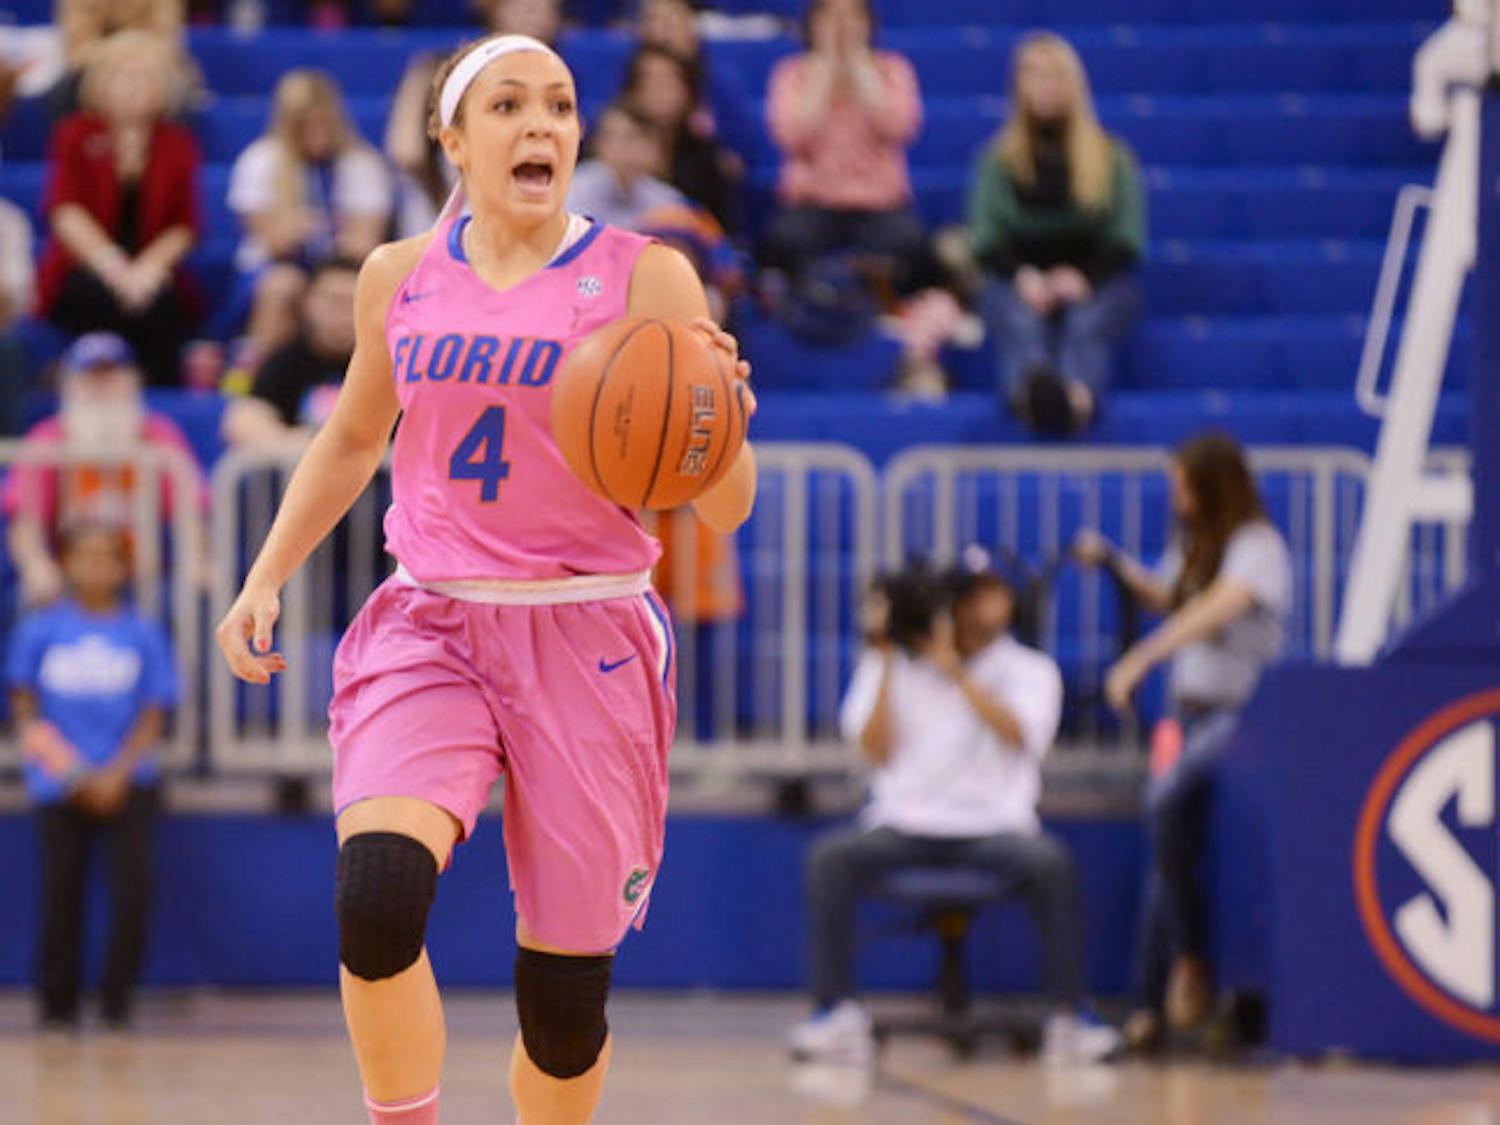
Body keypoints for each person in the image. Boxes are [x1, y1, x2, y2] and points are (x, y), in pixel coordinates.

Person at [214, 34, 756, 1125]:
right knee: (376, 896)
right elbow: (353, 438)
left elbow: (724, 505)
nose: (542, 126)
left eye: (558, 105)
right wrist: (266, 573)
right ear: (452, 138)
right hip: (433, 621)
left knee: (563, 1012)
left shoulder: (647, 274)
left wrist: (721, 424)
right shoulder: (396, 274)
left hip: (586, 631)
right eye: (508, 105)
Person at [790, 557, 1122, 1066]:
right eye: (965, 595)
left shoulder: (1031, 670)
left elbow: (1021, 734)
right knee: (830, 859)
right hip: (904, 824)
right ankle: (833, 1012)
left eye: (987, 593)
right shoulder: (892, 663)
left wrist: (956, 672)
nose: (974, 606)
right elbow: (871, 750)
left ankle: (1070, 1016)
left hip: (995, 828)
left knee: (1051, 863)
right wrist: (885, 658)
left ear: (1010, 602)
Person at [1073, 432, 1291, 1050]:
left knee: (1167, 805)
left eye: (1185, 487)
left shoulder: (1258, 547)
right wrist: (1114, 563)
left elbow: (1210, 610)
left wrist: (1142, 658)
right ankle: (1148, 1007)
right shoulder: (1198, 546)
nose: (1179, 499)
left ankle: (1194, 959)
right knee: (1163, 857)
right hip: (1187, 717)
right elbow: (1170, 597)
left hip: (1241, 719)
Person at [8, 524, 178, 1030]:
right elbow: (25, 711)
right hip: (58, 786)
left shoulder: (142, 632)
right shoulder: (39, 630)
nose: (95, 567)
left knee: (132, 894)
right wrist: (73, 773)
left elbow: (154, 710)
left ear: (123, 568)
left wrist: (116, 774)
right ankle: (57, 1010)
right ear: (66, 564)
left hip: (128, 783)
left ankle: (116, 1006)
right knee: (61, 894)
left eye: (107, 557)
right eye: (85, 556)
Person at [969, 32, 1145, 436]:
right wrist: (1024, 277)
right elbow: (985, 238)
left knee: (1088, 322)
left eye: (1053, 76)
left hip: (1095, 277)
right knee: (1018, 318)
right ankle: (1031, 396)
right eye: (1033, 75)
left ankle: (1076, 399)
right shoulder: (996, 160)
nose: (1044, 86)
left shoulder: (1110, 156)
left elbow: (1127, 238)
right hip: (1017, 276)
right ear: (1018, 87)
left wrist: (1081, 278)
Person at [37, 30, 202, 387]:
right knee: (94, 297)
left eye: (142, 77)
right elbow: (66, 211)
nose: (132, 87)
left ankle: (159, 397)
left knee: (160, 303)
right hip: (87, 264)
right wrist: (114, 268)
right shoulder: (75, 134)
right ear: (100, 85)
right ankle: (84, 384)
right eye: (122, 76)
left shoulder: (177, 144)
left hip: (148, 266)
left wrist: (146, 269)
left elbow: (183, 226)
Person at [4, 333, 207, 607]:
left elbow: (189, 508)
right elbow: (25, 518)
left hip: (141, 579)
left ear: (133, 380)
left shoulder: (159, 434)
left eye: (111, 376)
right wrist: (36, 565)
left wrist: (195, 559)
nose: (101, 386)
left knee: (187, 598)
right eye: (91, 377)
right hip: (68, 580)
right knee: (27, 598)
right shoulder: (46, 438)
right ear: (70, 384)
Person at [226, 69, 392, 363]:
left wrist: (334, 240)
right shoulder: (261, 160)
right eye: (305, 126)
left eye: (323, 124)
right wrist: (299, 229)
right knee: (284, 285)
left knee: (344, 290)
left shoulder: (361, 162)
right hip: (274, 268)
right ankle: (258, 377)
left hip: (338, 266)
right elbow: (272, 241)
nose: (316, 134)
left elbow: (366, 243)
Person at [763, 0, 926, 293]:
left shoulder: (893, 70)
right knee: (783, 242)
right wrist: (822, 75)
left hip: (880, 207)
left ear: (868, 24)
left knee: (911, 245)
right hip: (812, 206)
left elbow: (899, 128)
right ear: (813, 24)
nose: (842, 27)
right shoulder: (791, 74)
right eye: (832, 17)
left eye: (853, 17)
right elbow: (791, 138)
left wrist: (862, 73)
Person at [385, 0, 565, 235]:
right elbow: (405, 150)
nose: (532, 15)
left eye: (542, 8)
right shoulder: (440, 69)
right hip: (445, 190)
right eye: (522, 7)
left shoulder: (565, 82)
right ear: (496, 12)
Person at [221, 256, 359, 448]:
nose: (341, 314)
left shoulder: (388, 366)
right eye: (333, 301)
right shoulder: (287, 360)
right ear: (309, 303)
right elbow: (243, 421)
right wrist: (304, 446)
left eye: (352, 303)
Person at [619, 44, 741, 233]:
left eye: (668, 83)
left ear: (687, 91)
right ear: (631, 90)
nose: (659, 92)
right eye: (648, 82)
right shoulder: (608, 148)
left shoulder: (706, 157)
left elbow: (720, 234)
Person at [636, 0, 760, 167]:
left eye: (669, 23)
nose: (659, 34)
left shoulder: (718, 80)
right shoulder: (633, 74)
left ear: (690, 28)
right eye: (651, 21)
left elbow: (739, 152)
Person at [567, 102, 685, 230]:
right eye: (610, 137)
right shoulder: (575, 188)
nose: (617, 146)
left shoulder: (665, 198)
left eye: (629, 138)